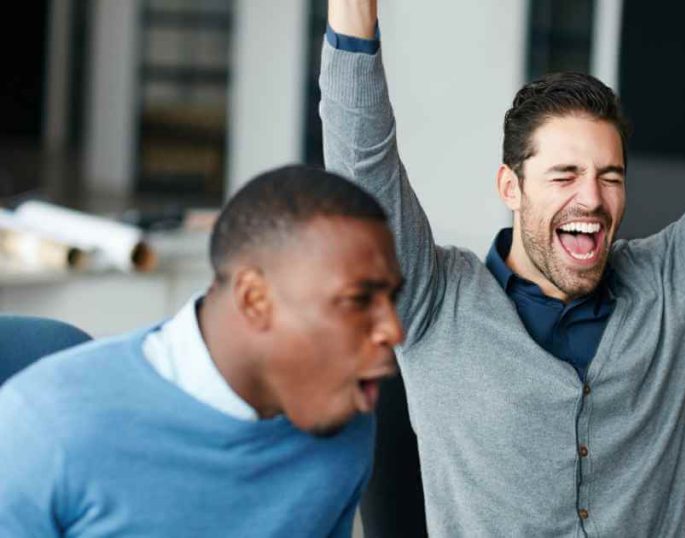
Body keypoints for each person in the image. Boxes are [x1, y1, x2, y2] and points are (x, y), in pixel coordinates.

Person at [322, 0, 685, 534]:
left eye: (610, 175)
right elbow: (361, 160)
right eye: (564, 175)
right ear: (511, 187)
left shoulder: (669, 285)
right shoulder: (436, 299)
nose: (592, 198)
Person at [0, 165, 405, 537]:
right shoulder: (45, 425)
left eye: (391, 298)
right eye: (357, 300)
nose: (393, 330)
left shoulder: (343, 424)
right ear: (254, 300)